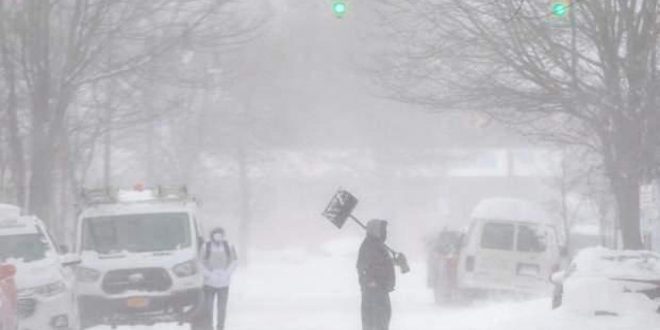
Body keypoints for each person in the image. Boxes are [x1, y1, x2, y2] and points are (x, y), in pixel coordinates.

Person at [357, 219, 396, 330]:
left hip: (380, 290)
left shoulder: (378, 245)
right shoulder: (369, 246)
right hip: (374, 293)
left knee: (381, 321)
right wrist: (370, 282)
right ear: (375, 231)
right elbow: (363, 267)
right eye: (382, 230)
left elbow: (382, 264)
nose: (385, 233)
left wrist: (394, 260)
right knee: (375, 323)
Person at [196, 227, 237, 330]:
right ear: (212, 235)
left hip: (224, 283)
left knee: (222, 308)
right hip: (209, 283)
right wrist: (209, 274)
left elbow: (234, 261)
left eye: (220, 235)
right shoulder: (206, 247)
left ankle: (220, 327)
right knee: (208, 307)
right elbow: (200, 262)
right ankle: (209, 326)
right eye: (216, 235)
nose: (218, 237)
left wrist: (227, 273)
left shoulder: (229, 246)